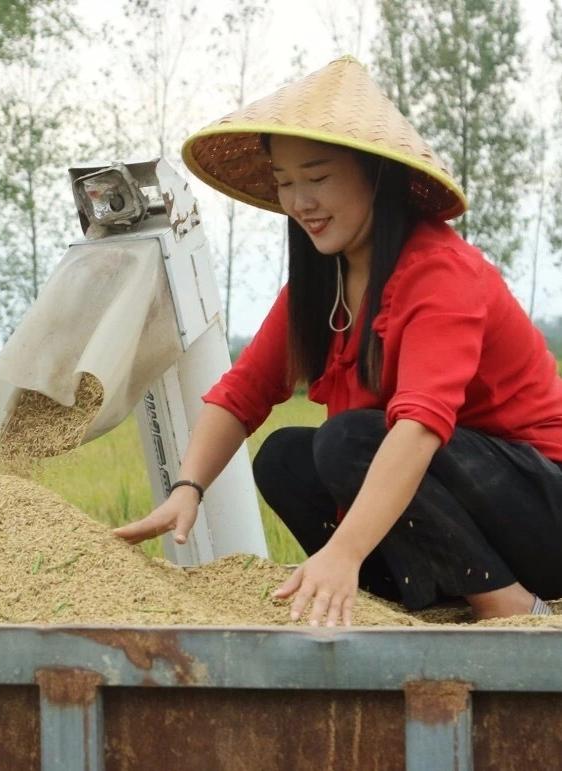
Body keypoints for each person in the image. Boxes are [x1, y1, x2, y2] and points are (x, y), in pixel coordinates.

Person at [113, 56, 562, 626]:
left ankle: (512, 608)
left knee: (348, 438)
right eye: (285, 183)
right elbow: (243, 392)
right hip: (466, 518)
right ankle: (403, 604)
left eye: (318, 177)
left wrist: (343, 550)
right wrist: (187, 488)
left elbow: (420, 426)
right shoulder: (318, 285)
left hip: (539, 507)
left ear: (375, 174)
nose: (300, 202)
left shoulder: (441, 273)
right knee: (285, 457)